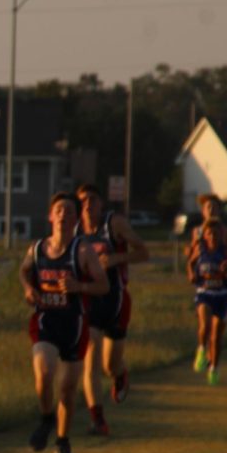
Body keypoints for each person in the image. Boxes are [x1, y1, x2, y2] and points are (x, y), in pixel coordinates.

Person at [19, 192, 109, 453]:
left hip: (74, 325)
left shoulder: (82, 251)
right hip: (46, 321)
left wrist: (79, 287)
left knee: (68, 389)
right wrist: (28, 289)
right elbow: (24, 270)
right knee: (44, 371)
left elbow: (103, 285)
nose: (63, 215)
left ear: (75, 218)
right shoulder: (37, 249)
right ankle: (47, 417)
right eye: (58, 210)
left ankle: (62, 439)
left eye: (69, 211)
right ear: (50, 216)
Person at [73, 184, 149, 435]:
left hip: (116, 300)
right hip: (90, 299)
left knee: (109, 365)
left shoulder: (113, 224)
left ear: (101, 203)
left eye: (92, 200)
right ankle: (98, 420)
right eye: (82, 201)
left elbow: (143, 251)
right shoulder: (74, 231)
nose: (87, 205)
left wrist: (116, 259)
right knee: (90, 355)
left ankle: (120, 374)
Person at [187, 219, 227, 385]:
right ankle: (201, 349)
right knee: (205, 324)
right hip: (204, 293)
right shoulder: (200, 250)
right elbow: (191, 263)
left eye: (216, 233)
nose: (213, 236)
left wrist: (226, 271)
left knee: (216, 337)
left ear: (221, 235)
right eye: (210, 233)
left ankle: (214, 367)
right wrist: (192, 275)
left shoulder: (226, 252)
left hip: (221, 296)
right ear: (205, 236)